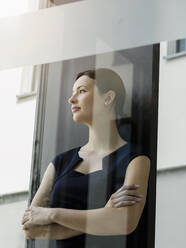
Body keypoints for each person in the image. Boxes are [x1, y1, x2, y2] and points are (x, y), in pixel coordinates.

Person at [21, 68, 151, 248]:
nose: (71, 99)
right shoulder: (60, 162)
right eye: (73, 93)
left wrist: (53, 215)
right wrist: (104, 215)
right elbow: (30, 227)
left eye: (81, 91)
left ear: (108, 98)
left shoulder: (136, 159)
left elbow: (124, 222)